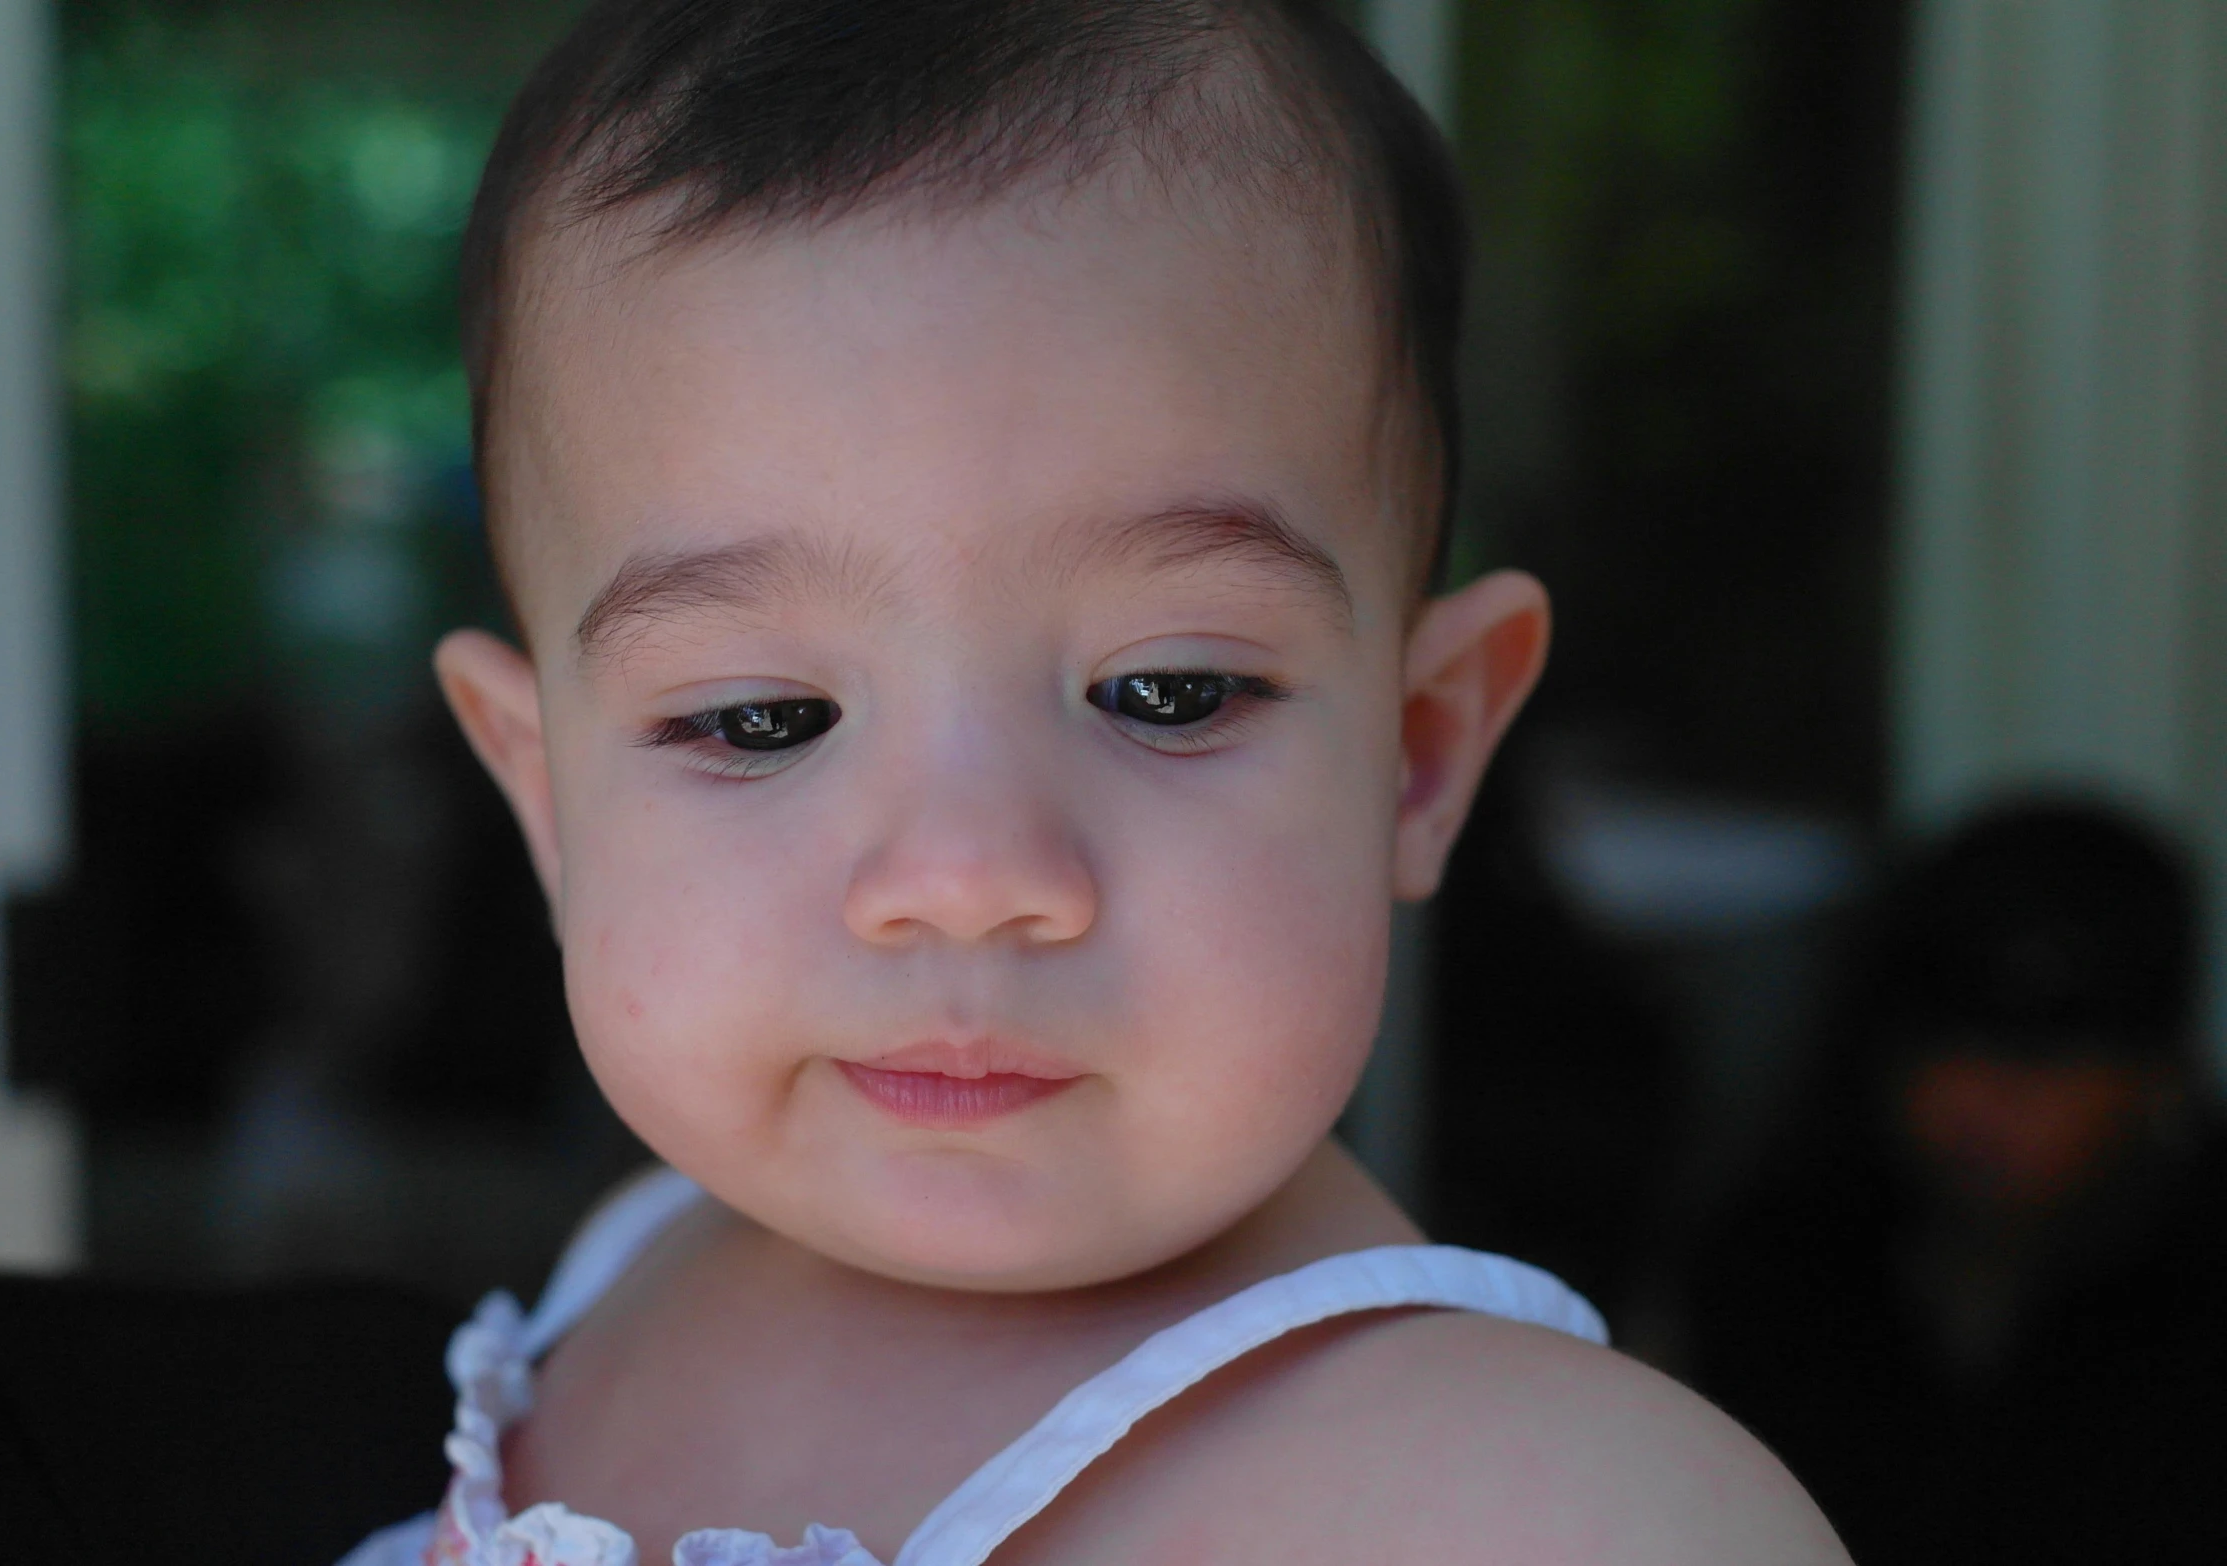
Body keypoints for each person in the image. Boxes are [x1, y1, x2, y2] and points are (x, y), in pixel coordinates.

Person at [343, 3, 1849, 1562]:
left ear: (1420, 751)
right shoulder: (620, 1274)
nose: (968, 868)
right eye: (761, 716)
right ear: (544, 792)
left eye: (1165, 692)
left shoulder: (1557, 1513)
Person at [1684, 800, 2227, 1564]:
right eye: (1944, 1047)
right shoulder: (1787, 1266)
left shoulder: (2200, 1283)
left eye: (2042, 1063)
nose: (1979, 1100)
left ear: (2155, 1078)